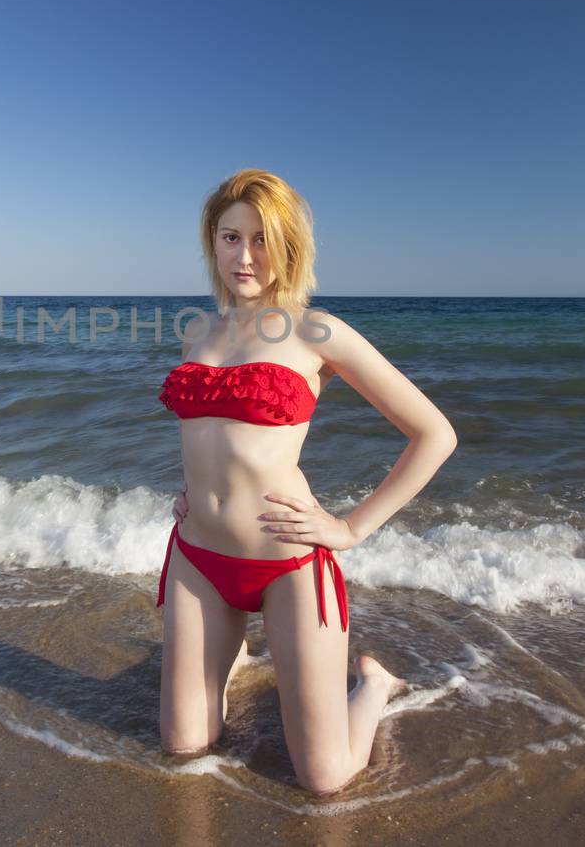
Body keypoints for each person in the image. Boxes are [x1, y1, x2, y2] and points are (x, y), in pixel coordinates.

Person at [155, 168, 458, 796]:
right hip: (197, 558)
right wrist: (192, 491)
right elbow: (210, 434)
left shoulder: (316, 331)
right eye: (230, 236)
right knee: (183, 747)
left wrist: (350, 526)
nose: (244, 255)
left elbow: (434, 435)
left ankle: (373, 685)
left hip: (286, 563)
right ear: (212, 241)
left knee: (325, 778)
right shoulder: (196, 330)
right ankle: (230, 653)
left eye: (262, 239)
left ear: (289, 247)